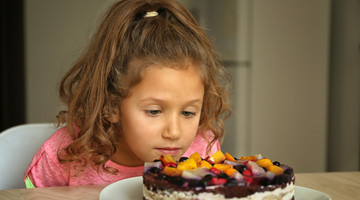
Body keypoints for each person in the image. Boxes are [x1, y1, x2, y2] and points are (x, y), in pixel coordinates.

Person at [24, 0, 231, 188]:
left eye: (187, 113)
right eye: (154, 111)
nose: (174, 132)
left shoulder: (203, 150)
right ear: (112, 106)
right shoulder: (66, 154)